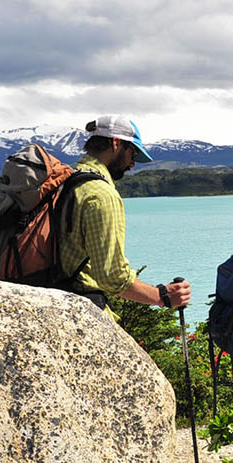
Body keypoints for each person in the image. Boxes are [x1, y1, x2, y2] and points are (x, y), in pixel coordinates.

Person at [58, 115, 191, 317]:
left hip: (47, 294)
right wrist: (162, 296)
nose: (132, 164)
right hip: (77, 308)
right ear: (116, 143)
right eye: (133, 153)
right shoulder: (101, 194)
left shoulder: (65, 178)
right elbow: (112, 276)